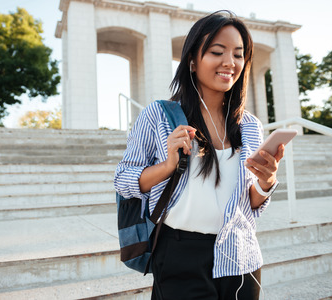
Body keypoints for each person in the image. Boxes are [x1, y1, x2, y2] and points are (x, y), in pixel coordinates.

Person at [114, 10, 284, 300]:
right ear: (192, 61)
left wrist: (266, 182)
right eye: (217, 51)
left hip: (240, 255)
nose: (230, 62)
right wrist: (168, 165)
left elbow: (250, 204)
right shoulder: (159, 115)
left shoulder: (251, 126)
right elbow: (123, 180)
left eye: (239, 54)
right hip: (181, 253)